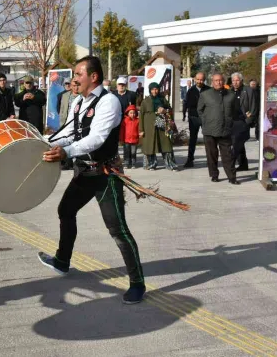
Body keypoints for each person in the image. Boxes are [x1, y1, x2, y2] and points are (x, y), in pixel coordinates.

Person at [39, 56, 146, 305]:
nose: (74, 78)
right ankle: (62, 261)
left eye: (78, 74)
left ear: (93, 76)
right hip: (84, 173)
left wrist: (67, 152)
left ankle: (137, 283)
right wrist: (41, 144)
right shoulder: (78, 102)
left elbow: (96, 138)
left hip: (104, 176)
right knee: (65, 210)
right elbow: (67, 134)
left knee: (117, 230)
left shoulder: (109, 103)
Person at [197, 73, 240, 185]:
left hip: (225, 130)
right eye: (216, 80)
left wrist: (230, 121)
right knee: (211, 155)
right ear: (212, 82)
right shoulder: (205, 94)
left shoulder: (231, 95)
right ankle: (214, 175)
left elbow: (236, 110)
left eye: (220, 80)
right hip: (209, 130)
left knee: (228, 155)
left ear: (224, 81)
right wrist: (206, 120)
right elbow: (200, 110)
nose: (218, 82)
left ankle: (232, 177)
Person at [139, 82, 178, 171]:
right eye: (152, 89)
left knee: (166, 145)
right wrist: (141, 129)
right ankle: (151, 165)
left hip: (162, 127)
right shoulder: (145, 101)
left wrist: (164, 110)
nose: (155, 91)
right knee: (150, 146)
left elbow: (170, 110)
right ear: (150, 90)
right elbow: (141, 115)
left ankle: (171, 164)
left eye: (156, 89)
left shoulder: (163, 99)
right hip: (149, 127)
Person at [231, 73, 257, 172]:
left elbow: (253, 106)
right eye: (233, 80)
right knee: (239, 143)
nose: (235, 82)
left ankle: (230, 162)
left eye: (237, 80)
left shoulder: (248, 90)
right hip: (233, 121)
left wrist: (248, 121)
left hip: (243, 121)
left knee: (237, 143)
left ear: (241, 81)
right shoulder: (230, 91)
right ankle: (243, 164)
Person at [183, 72, 209, 168]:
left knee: (208, 139)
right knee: (193, 139)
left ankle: (210, 159)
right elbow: (187, 103)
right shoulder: (191, 91)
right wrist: (184, 115)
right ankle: (190, 159)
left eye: (201, 79)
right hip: (193, 117)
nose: (199, 81)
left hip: (206, 118)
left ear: (204, 79)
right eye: (198, 79)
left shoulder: (209, 90)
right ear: (194, 79)